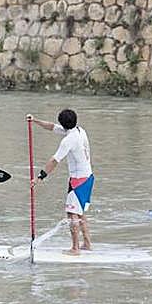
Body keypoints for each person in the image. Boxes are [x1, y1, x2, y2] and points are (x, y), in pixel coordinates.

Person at [28, 109, 94, 256]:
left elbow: (54, 160)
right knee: (80, 212)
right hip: (87, 176)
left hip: (79, 180)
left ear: (63, 124)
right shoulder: (79, 130)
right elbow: (52, 127)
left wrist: (39, 178)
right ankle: (87, 244)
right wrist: (35, 120)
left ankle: (75, 249)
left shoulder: (68, 140)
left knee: (72, 213)